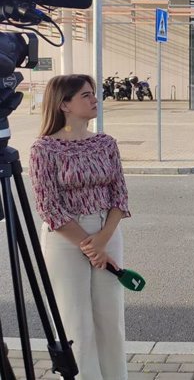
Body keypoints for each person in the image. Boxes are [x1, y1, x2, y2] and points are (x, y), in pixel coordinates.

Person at [29, 74, 130, 380]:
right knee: (75, 321)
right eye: (86, 95)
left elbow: (120, 196)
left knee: (110, 318)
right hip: (65, 239)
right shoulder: (43, 149)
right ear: (64, 104)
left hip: (107, 232)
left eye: (93, 94)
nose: (94, 99)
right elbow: (48, 206)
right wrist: (90, 245)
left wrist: (101, 241)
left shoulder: (106, 143)